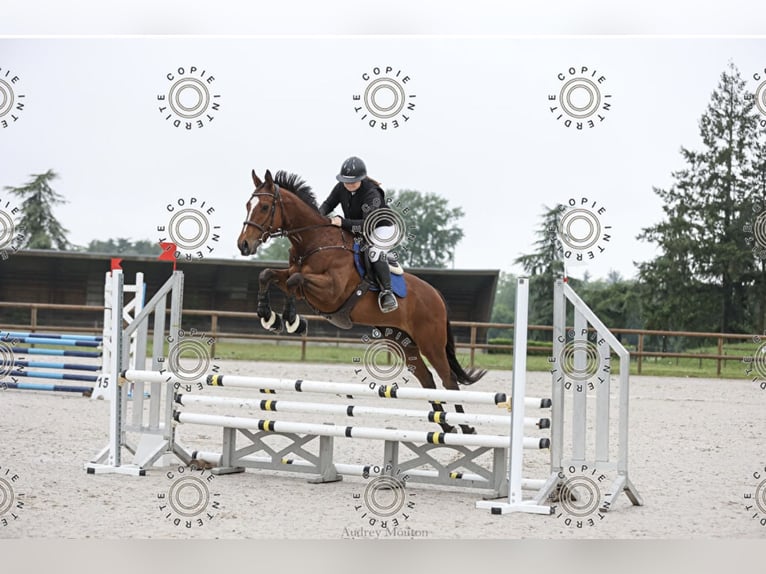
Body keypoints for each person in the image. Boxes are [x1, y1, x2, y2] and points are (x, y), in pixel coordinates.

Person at [318, 156, 398, 313]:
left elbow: (367, 225)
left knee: (374, 252)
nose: (349, 184)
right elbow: (328, 204)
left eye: (353, 181)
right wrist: (316, 216)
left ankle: (387, 293)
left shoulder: (372, 193)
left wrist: (342, 222)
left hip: (383, 228)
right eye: (346, 181)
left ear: (362, 178)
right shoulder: (341, 187)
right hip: (358, 225)